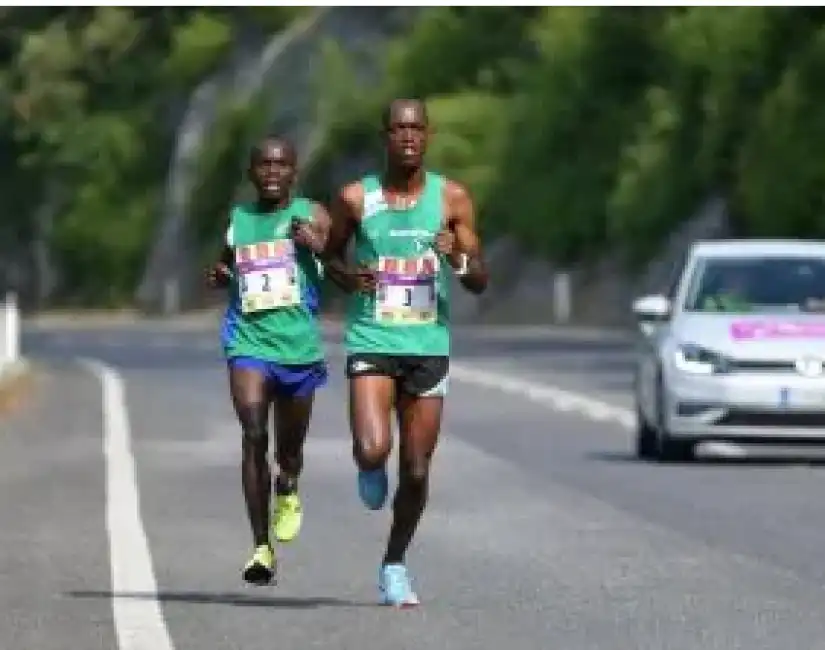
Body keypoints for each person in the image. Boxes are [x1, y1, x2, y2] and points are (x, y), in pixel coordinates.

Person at [321, 98, 489, 606]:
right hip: (373, 336)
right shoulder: (355, 198)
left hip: (428, 344)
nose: (408, 137)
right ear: (386, 136)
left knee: (416, 469)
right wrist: (351, 278)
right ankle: (369, 465)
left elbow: (479, 279)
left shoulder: (452, 199)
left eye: (416, 129)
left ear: (428, 136)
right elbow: (329, 256)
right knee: (374, 449)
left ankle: (394, 563)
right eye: (398, 129)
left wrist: (456, 256)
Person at [206, 136, 330, 585]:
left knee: (289, 450)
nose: (273, 172)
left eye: (281, 165)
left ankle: (289, 483)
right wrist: (220, 276)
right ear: (252, 173)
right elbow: (225, 267)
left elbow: (340, 268)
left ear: (294, 173)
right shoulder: (238, 221)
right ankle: (261, 547)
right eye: (264, 165)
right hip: (248, 342)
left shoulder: (312, 214)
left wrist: (317, 246)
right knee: (254, 433)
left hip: (299, 349)